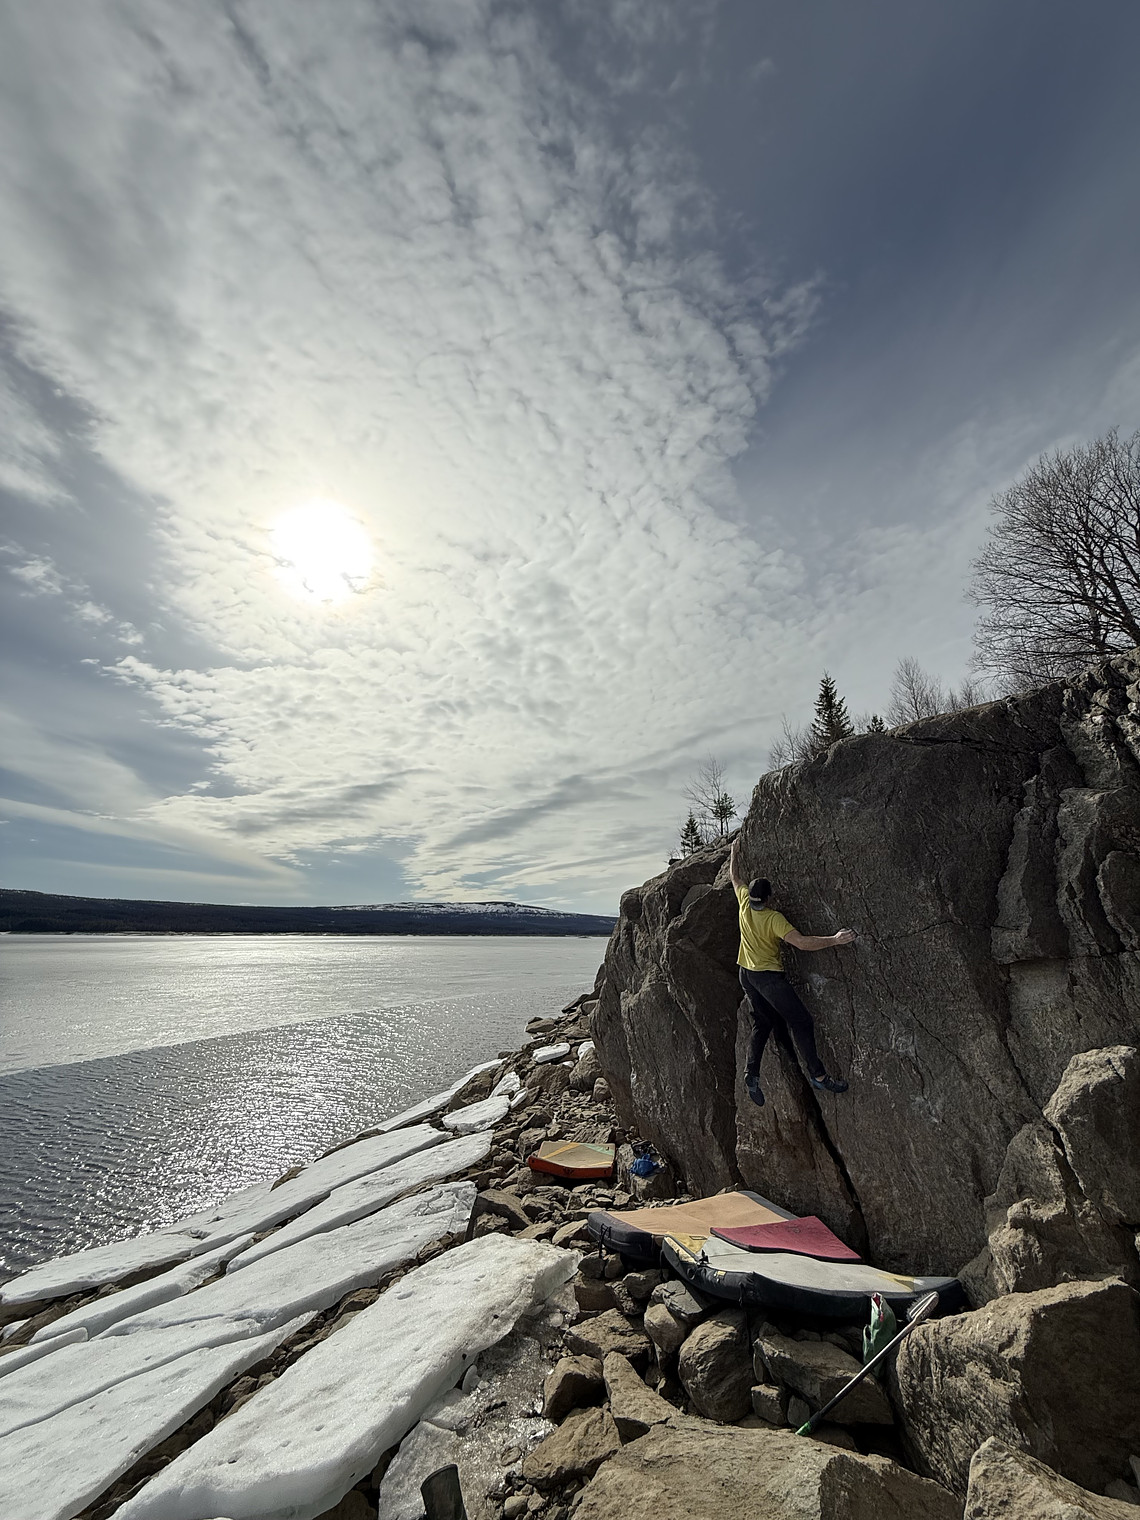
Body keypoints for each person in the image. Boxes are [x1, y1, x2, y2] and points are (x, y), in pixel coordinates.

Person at [729, 836, 856, 1106]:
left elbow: (735, 878)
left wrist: (734, 852)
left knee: (762, 1023)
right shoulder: (773, 918)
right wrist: (835, 939)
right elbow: (801, 943)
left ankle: (751, 1073)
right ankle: (818, 1076)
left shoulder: (743, 902)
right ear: (769, 898)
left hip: (746, 974)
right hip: (768, 978)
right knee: (801, 1022)